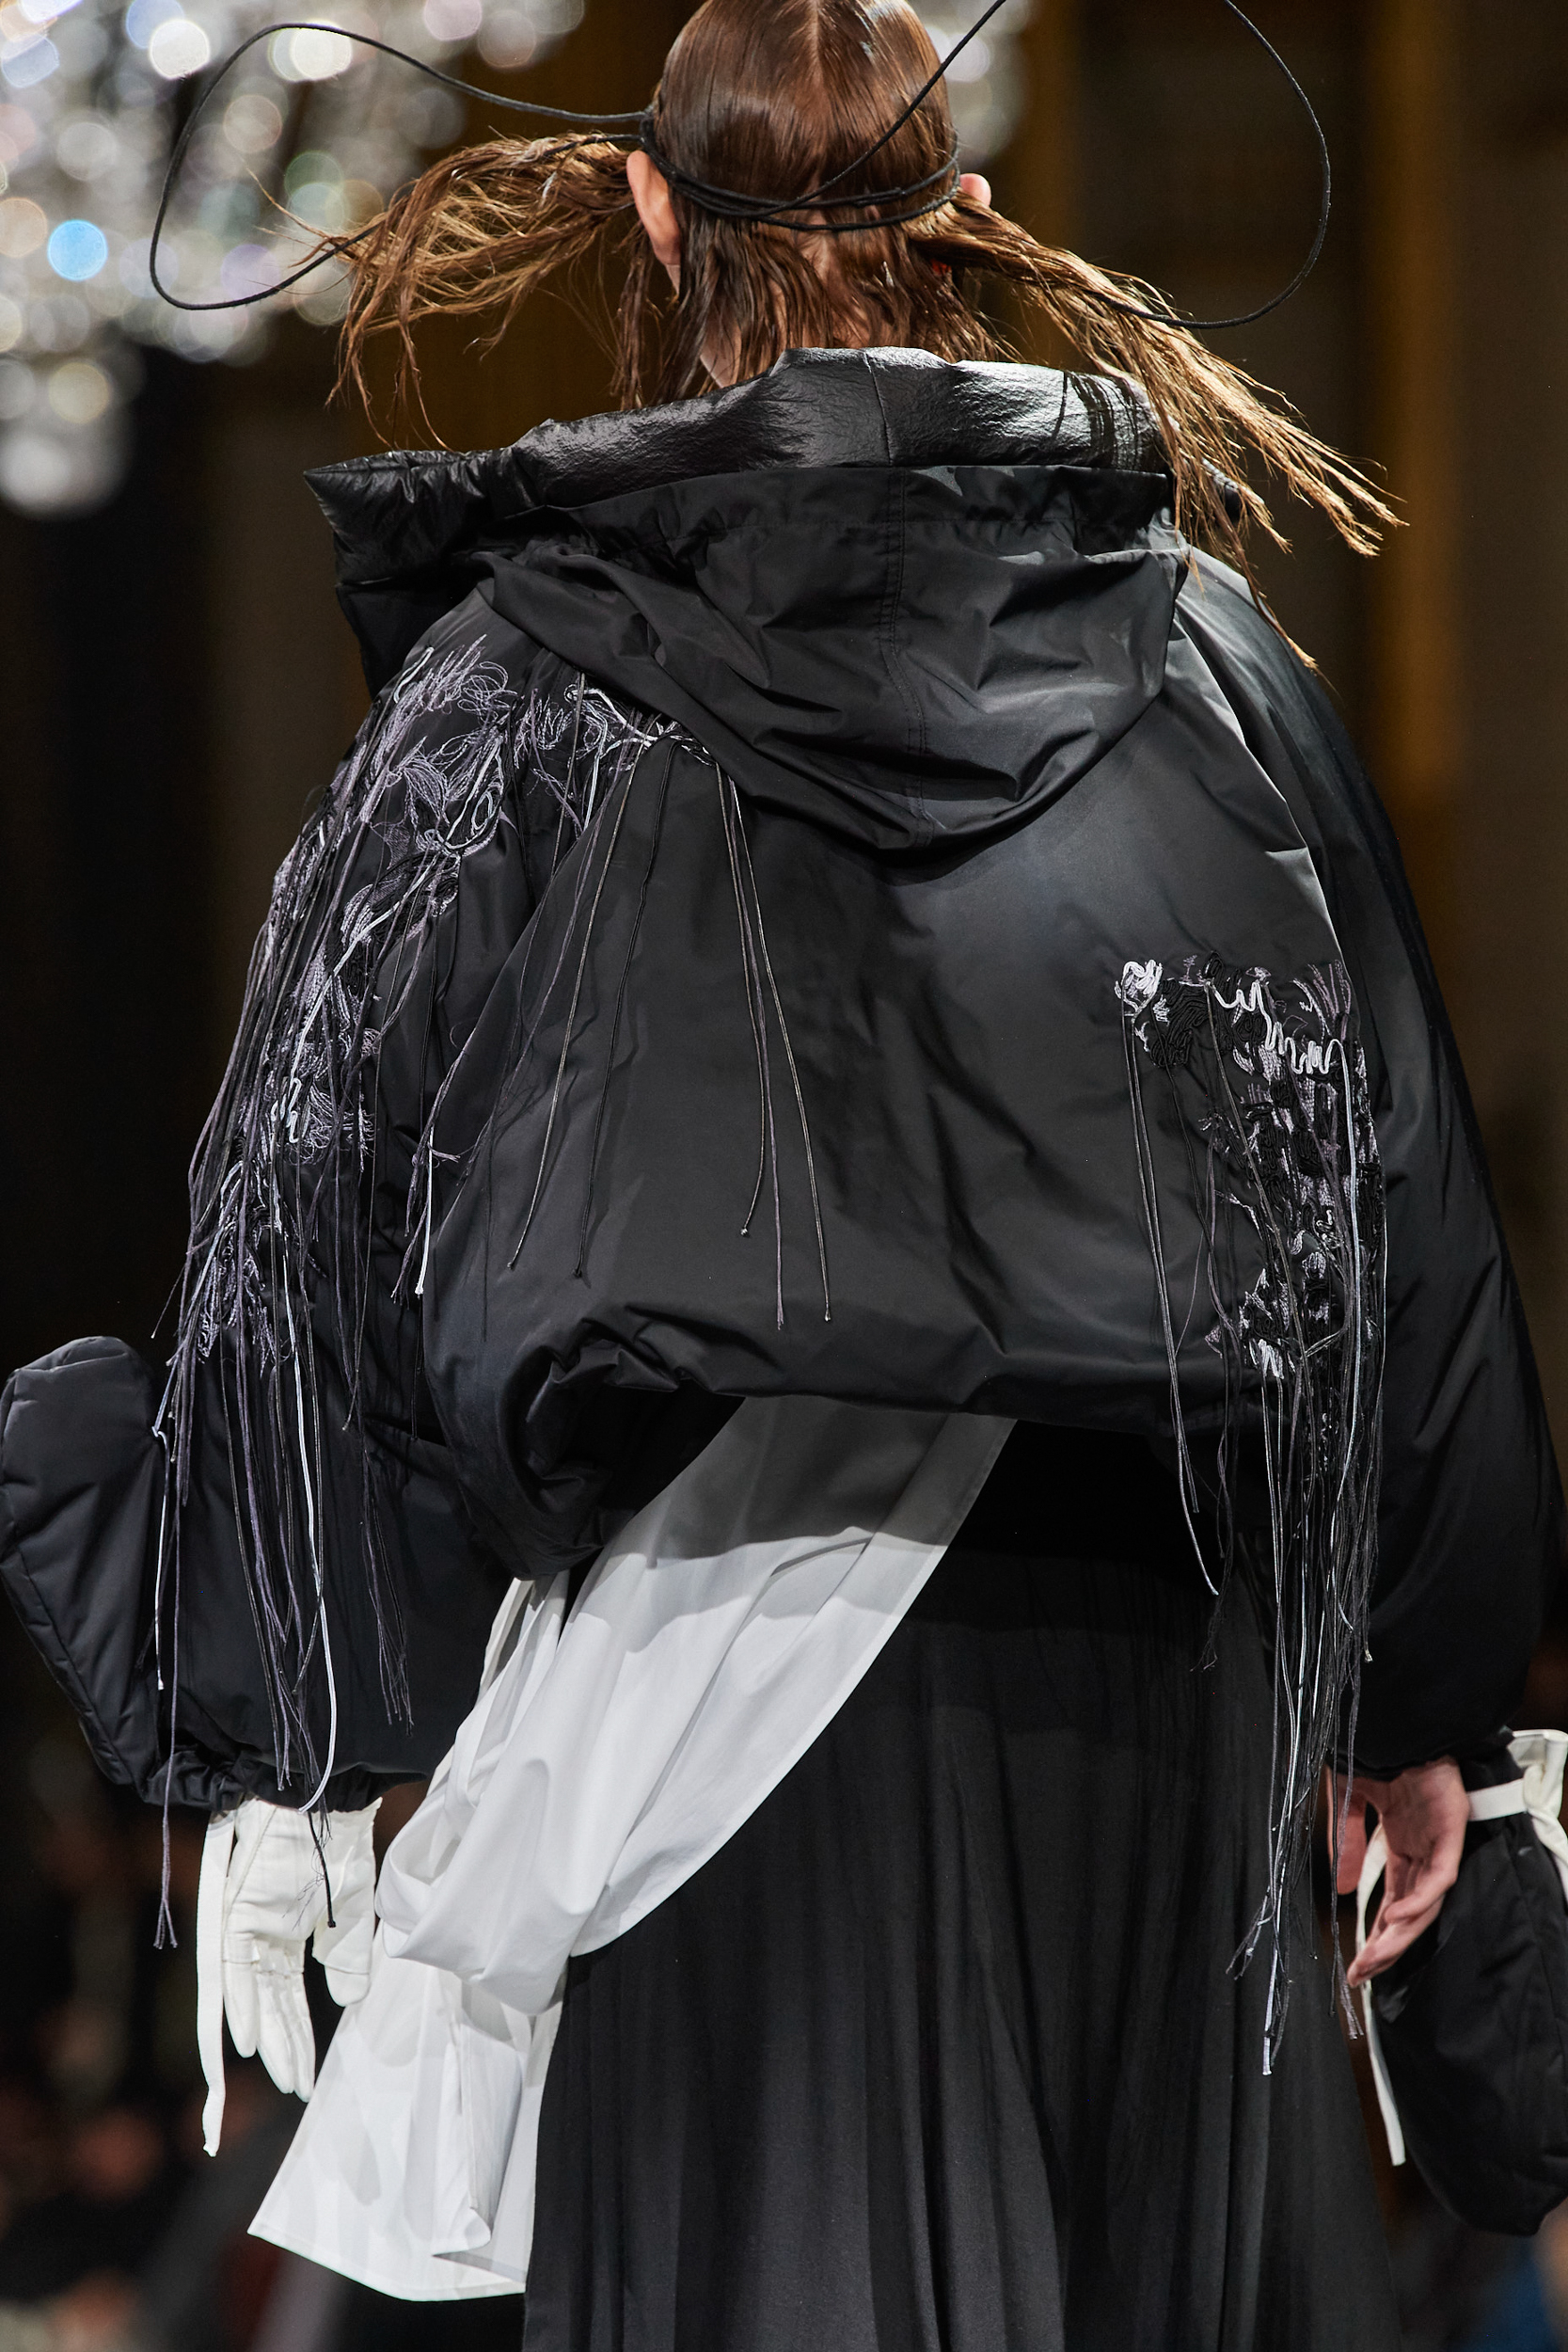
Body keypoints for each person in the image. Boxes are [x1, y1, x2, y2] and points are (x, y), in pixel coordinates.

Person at [0, 2, 1560, 2344]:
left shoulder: (521, 690)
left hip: (724, 1705)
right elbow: (1401, 1202)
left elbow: (320, 1189)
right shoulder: (1218, 670)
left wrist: (277, 1720)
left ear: (649, 211)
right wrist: (1422, 1699)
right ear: (968, 222)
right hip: (1179, 1687)